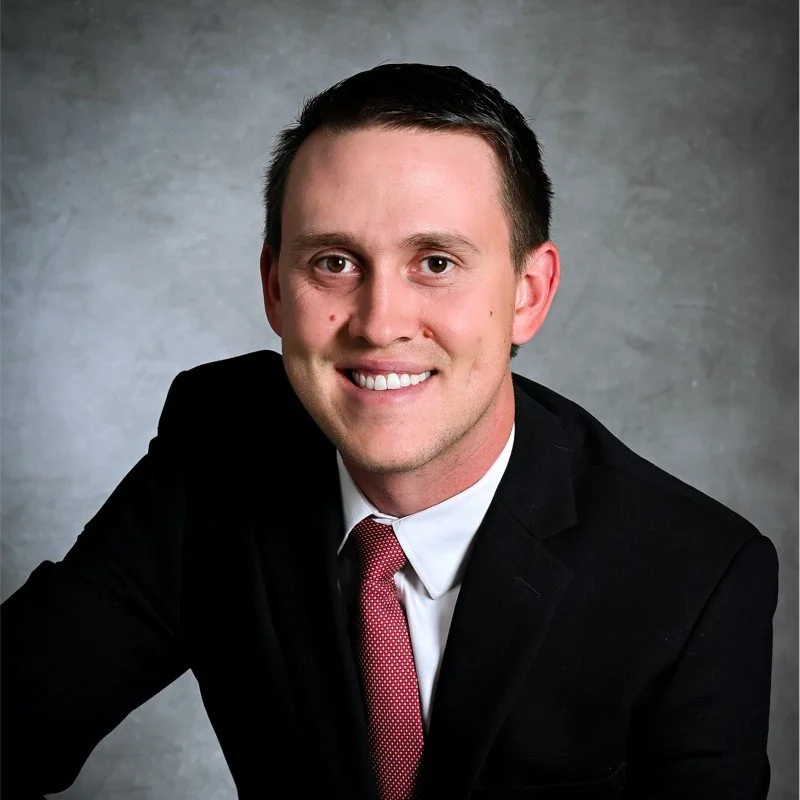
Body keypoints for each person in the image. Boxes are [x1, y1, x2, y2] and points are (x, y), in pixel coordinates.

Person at [1, 63, 778, 800]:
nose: (379, 324)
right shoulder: (219, 453)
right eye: (334, 262)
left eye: (435, 263)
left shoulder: (694, 578)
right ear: (275, 290)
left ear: (528, 294)